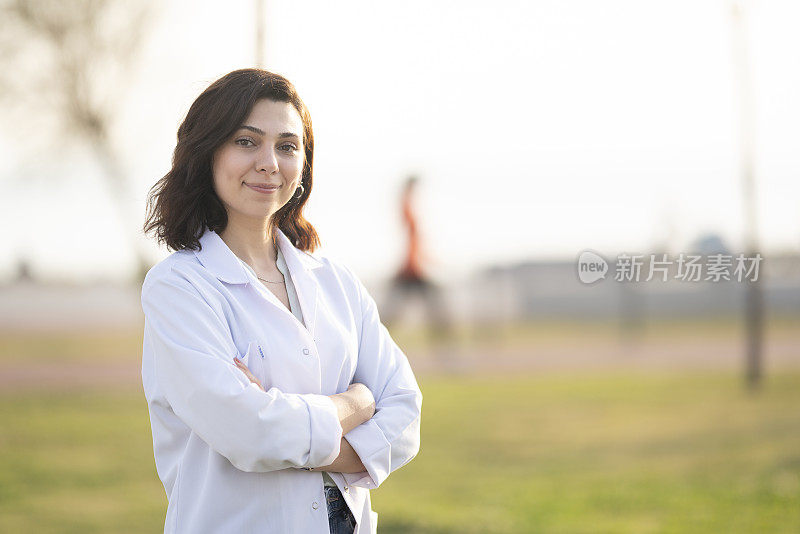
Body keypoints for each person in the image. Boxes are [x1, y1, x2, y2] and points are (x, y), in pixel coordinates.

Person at [140, 68, 422, 534]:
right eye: (247, 141)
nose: (269, 162)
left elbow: (405, 413)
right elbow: (248, 433)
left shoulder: (335, 281)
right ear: (207, 153)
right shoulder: (179, 287)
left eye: (287, 145)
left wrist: (285, 426)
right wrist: (355, 404)